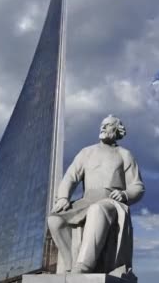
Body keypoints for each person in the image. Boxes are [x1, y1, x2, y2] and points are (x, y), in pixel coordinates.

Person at [48, 115, 145, 277]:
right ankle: (71, 266)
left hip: (112, 202)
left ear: (117, 130)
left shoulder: (124, 155)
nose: (103, 128)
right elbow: (70, 177)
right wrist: (63, 198)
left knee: (97, 209)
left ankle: (85, 265)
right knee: (55, 219)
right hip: (86, 201)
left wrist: (125, 194)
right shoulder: (86, 153)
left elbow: (138, 186)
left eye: (107, 125)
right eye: (102, 125)